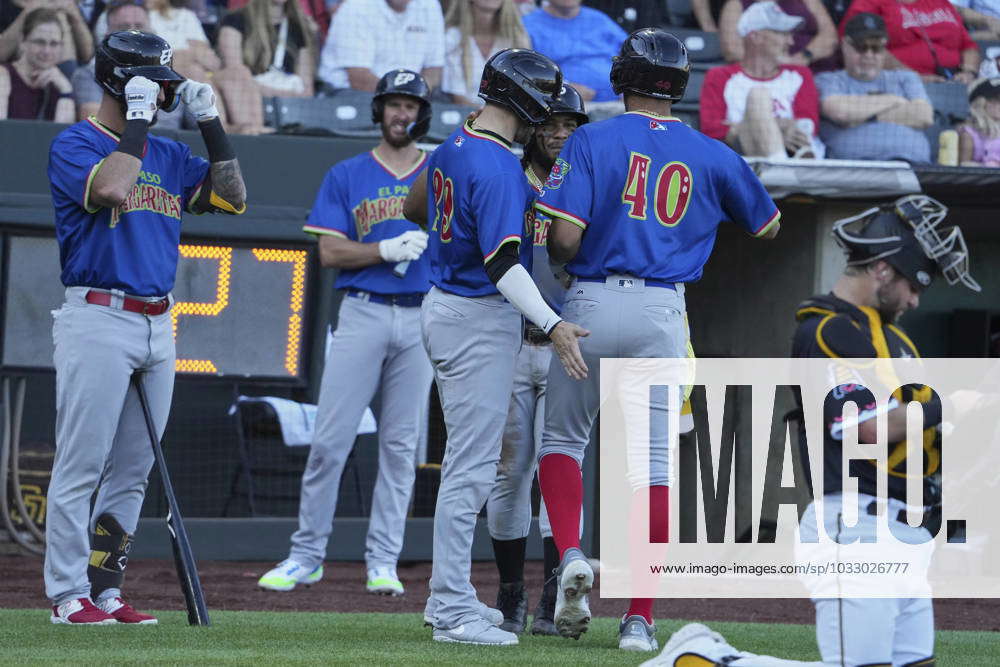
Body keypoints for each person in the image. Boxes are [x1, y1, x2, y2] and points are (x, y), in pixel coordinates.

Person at [532, 28, 780, 651]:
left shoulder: (591, 136)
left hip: (589, 301)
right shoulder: (710, 150)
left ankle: (571, 557)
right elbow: (769, 226)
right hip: (662, 309)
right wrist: (696, 222)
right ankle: (639, 619)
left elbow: (563, 241)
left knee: (563, 441)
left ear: (623, 77)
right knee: (654, 469)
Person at [45, 29, 246, 625]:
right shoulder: (75, 143)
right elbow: (109, 188)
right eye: (156, 82)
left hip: (158, 322)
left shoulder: (168, 154)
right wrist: (134, 121)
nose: (165, 92)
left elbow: (233, 200)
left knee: (133, 470)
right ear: (121, 83)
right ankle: (65, 594)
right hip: (98, 315)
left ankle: (104, 588)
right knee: (82, 463)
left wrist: (212, 126)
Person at [404, 47, 588, 646]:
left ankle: (446, 597)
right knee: (471, 469)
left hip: (448, 305)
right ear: (528, 100)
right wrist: (554, 325)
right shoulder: (500, 165)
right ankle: (452, 607)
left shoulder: (453, 144)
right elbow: (504, 262)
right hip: (477, 314)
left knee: (472, 464)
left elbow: (413, 205)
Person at [256, 69, 435, 598]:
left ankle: (383, 560)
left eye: (411, 106)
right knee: (331, 441)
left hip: (423, 311)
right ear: (378, 110)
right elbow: (329, 251)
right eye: (393, 105)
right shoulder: (349, 172)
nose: (402, 114)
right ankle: (306, 554)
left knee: (401, 447)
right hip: (363, 310)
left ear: (422, 114)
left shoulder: (441, 170)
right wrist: (383, 249)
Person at [791, 194, 979, 665]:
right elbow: (865, 429)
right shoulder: (828, 329)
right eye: (916, 284)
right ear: (881, 269)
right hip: (854, 526)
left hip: (906, 529)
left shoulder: (895, 338)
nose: (916, 299)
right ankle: (710, 658)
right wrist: (951, 401)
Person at [486, 84, 588, 637]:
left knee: (560, 468)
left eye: (570, 124)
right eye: (551, 122)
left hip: (566, 345)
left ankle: (554, 595)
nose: (559, 132)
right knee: (509, 474)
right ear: (531, 125)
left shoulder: (586, 181)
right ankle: (509, 594)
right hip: (510, 338)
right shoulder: (507, 173)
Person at [701, 1, 825, 159]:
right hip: (743, 160)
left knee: (760, 102)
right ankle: (780, 170)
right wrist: (778, 126)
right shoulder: (720, 76)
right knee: (758, 96)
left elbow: (809, 125)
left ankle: (779, 167)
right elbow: (711, 130)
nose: (791, 42)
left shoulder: (800, 74)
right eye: (782, 33)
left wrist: (740, 126)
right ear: (755, 36)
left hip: (798, 157)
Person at [816, 12, 933, 162]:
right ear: (845, 45)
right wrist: (893, 100)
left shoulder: (905, 78)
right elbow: (839, 112)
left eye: (876, 47)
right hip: (853, 172)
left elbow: (924, 116)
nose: (869, 54)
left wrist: (864, 116)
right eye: (861, 47)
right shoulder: (827, 80)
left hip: (912, 169)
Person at [71, 0, 191, 128]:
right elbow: (96, 128)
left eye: (139, 26)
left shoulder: (171, 73)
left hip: (167, 144)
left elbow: (200, 127)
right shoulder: (91, 72)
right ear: (107, 35)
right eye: (124, 27)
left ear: (153, 32)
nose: (133, 33)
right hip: (117, 144)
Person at [215, 0, 315, 134]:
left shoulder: (298, 28)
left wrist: (278, 94)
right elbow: (234, 74)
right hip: (243, 101)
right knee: (239, 73)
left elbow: (307, 89)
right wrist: (278, 93)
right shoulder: (235, 20)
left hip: (287, 110)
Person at [318, 0, 444, 93]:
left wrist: (418, 90)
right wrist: (404, 96)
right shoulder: (355, 7)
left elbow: (434, 68)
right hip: (348, 95)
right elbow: (359, 79)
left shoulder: (430, 5)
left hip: (410, 98)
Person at [842, 0, 980, 82]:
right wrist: (913, 78)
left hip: (953, 82)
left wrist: (968, 72)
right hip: (896, 82)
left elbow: (968, 45)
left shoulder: (941, 2)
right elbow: (858, 42)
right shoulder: (870, 2)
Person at [522, 0, 627, 102]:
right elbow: (524, 71)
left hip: (620, 101)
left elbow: (632, 52)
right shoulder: (527, 25)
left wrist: (632, 87)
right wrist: (562, 87)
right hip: (568, 106)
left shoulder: (598, 19)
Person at [94, 0, 220, 82]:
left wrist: (160, 56)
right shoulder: (116, 14)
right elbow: (108, 52)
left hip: (193, 74)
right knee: (194, 71)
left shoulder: (185, 16)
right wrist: (187, 55)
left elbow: (209, 60)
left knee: (234, 74)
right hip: (139, 75)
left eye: (139, 25)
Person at [442, 0, 530, 106]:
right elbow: (457, 97)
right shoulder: (452, 38)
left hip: (506, 117)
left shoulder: (516, 40)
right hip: (466, 117)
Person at [719, 0, 839, 70]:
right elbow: (732, 50)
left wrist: (803, 57)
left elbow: (830, 37)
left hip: (815, 74)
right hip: (763, 78)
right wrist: (779, 64)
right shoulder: (736, 4)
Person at [0, 8, 74, 120]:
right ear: (22, 42)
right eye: (40, 42)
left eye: (53, 44)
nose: (46, 51)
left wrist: (65, 91)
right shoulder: (4, 76)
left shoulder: (59, 83)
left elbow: (63, 134)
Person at [0, 0, 93, 69]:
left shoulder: (62, 4)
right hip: (20, 74)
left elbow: (87, 55)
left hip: (66, 76)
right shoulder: (4, 6)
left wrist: (74, 14)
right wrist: (29, 10)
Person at [959, 77, 1000, 165]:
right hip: (983, 178)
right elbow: (963, 171)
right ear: (980, 103)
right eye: (996, 99)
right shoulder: (968, 134)